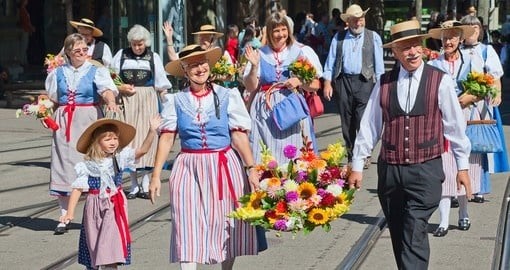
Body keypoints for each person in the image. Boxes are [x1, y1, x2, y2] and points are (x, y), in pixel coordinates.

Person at [347, 20, 472, 269]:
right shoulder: (384, 82)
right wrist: (358, 164)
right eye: (405, 47)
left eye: (416, 45)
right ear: (394, 52)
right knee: (398, 232)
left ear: (424, 47)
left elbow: (455, 128)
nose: (412, 52)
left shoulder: (440, 81)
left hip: (425, 171)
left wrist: (463, 167)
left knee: (414, 229)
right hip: (391, 172)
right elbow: (369, 127)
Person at [149, 45, 260, 270]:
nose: (200, 68)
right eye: (193, 65)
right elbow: (167, 138)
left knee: (226, 221)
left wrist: (251, 168)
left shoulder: (227, 95)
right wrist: (155, 175)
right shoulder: (175, 100)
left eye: (202, 62)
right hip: (188, 166)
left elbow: (238, 136)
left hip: (223, 164)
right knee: (186, 222)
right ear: (184, 69)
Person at [60, 116, 161, 269]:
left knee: (110, 246)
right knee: (93, 243)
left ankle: (111, 266)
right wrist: (70, 212)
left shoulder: (119, 158)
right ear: (97, 142)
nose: (113, 142)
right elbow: (78, 188)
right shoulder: (87, 165)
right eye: (108, 139)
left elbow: (142, 151)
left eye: (115, 138)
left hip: (115, 206)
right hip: (94, 206)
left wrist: (151, 132)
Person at [45, 33, 118, 234]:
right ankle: (64, 215)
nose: (82, 54)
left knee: (91, 166)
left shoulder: (96, 71)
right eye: (77, 50)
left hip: (88, 120)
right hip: (64, 122)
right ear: (68, 52)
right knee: (63, 166)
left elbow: (106, 90)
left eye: (85, 50)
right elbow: (52, 98)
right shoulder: (58, 73)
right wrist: (43, 111)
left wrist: (110, 100)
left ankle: (93, 214)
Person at [243, 11, 323, 165]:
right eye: (276, 30)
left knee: (295, 154)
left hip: (292, 108)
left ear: (289, 30)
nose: (280, 34)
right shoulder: (260, 54)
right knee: (265, 154)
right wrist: (253, 67)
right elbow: (250, 86)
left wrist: (299, 81)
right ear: (269, 32)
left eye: (283, 30)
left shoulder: (299, 53)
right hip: (265, 110)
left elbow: (315, 85)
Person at [427, 20, 480, 237]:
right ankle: (443, 221)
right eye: (445, 37)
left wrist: (468, 97)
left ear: (459, 39)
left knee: (465, 167)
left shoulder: (471, 61)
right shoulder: (433, 64)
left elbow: (482, 88)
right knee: (446, 169)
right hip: (442, 120)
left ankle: (464, 213)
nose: (448, 41)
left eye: (452, 37)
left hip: (467, 117)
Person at [111, 24, 172, 200]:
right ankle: (133, 185)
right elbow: (111, 75)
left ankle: (145, 183)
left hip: (147, 99)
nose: (137, 47)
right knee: (129, 140)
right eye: (135, 44)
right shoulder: (121, 55)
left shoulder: (153, 57)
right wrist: (120, 86)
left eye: (141, 44)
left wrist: (165, 100)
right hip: (127, 100)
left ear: (146, 42)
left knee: (148, 137)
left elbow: (161, 81)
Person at [322, 4, 385, 167]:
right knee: (347, 121)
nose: (358, 23)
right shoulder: (339, 37)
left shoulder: (373, 37)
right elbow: (331, 61)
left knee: (363, 119)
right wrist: (327, 82)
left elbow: (379, 66)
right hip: (343, 81)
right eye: (355, 20)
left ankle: (364, 154)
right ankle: (351, 154)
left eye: (361, 19)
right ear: (348, 21)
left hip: (365, 81)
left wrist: (381, 87)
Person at [460, 15, 507, 202]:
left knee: (479, 145)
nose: (472, 30)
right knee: (458, 145)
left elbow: (495, 77)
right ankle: (458, 188)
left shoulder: (487, 51)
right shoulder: (455, 50)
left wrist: (497, 94)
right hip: (459, 102)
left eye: (475, 27)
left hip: (481, 104)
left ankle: (478, 187)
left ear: (480, 30)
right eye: (468, 27)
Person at [18, 0, 35, 66]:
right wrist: (31, 28)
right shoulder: (22, 10)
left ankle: (24, 61)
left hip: (26, 30)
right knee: (24, 46)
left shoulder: (24, 10)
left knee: (25, 46)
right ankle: (22, 61)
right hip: (24, 30)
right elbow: (25, 22)